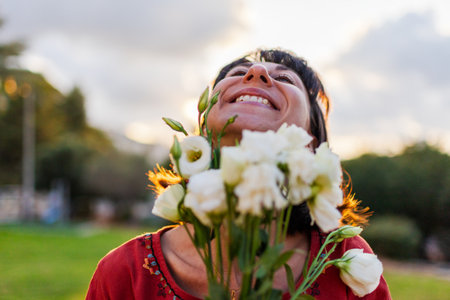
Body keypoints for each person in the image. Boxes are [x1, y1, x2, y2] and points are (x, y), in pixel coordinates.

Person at [86, 49, 392, 300]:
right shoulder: (124, 273)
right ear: (203, 130)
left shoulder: (345, 262)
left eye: (284, 78)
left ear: (312, 142)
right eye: (236, 74)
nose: (256, 75)